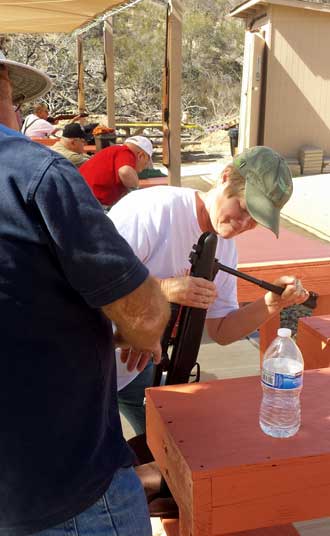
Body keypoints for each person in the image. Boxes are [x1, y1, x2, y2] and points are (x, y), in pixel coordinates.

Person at [0, 54, 170, 535]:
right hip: (65, 487)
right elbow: (144, 317)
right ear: (5, 87)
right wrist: (152, 306)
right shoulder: (32, 172)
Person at [109, 146, 310, 435]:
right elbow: (85, 280)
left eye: (256, 220)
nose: (243, 224)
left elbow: (222, 330)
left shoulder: (224, 248)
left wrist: (271, 303)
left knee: (177, 444)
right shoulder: (150, 211)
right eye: (242, 208)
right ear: (225, 177)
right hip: (83, 365)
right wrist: (162, 289)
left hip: (132, 371)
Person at [79, 135, 153, 209]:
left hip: (82, 198)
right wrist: (137, 192)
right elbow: (125, 171)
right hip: (90, 203)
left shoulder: (114, 151)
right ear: (141, 156)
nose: (144, 167)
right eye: (146, 162)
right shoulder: (126, 152)